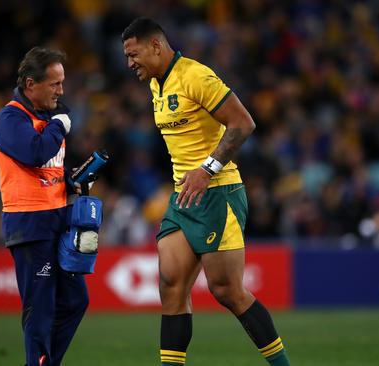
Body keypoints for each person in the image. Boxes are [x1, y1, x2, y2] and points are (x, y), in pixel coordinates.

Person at [122, 18, 291, 366]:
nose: (129, 63)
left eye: (134, 54)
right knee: (171, 286)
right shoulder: (157, 85)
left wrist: (207, 168)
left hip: (218, 192)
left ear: (156, 45)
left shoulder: (196, 76)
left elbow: (243, 123)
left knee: (227, 291)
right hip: (184, 197)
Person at [0, 46, 89, 366]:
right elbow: (34, 153)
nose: (61, 91)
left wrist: (69, 181)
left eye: (62, 83)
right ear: (31, 85)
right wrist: (60, 125)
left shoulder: (48, 117)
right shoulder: (11, 117)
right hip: (30, 225)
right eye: (55, 84)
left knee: (76, 300)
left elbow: (49, 166)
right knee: (41, 307)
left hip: (57, 220)